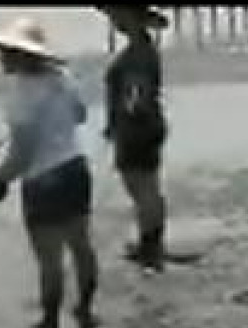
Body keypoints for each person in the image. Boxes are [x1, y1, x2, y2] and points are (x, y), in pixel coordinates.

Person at [0, 18, 99, 328]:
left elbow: (23, 153)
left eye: (5, 52)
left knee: (49, 259)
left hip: (43, 180)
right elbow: (80, 116)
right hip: (74, 168)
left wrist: (1, 179)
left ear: (20, 55)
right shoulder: (63, 79)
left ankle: (50, 325)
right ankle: (85, 310)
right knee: (81, 245)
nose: (0, 58)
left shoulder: (20, 96)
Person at [98, 5, 170, 272]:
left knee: (141, 188)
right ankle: (151, 243)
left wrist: (123, 117)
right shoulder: (144, 49)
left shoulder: (137, 54)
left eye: (115, 14)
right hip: (147, 126)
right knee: (148, 187)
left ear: (129, 16)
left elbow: (137, 93)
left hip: (136, 129)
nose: (113, 19)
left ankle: (150, 247)